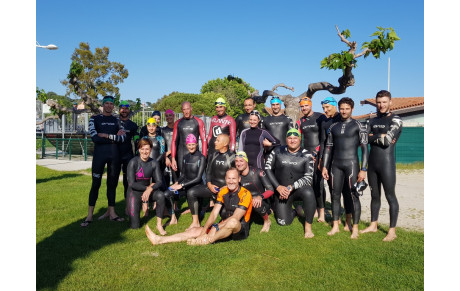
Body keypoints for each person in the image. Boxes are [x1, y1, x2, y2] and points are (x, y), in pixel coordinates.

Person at [145, 168, 253, 245]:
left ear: (239, 179)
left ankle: (207, 241)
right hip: (223, 226)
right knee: (194, 231)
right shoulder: (223, 191)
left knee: (232, 222)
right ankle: (159, 240)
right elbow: (214, 213)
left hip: (239, 230)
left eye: (234, 178)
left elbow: (236, 218)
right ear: (225, 179)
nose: (231, 181)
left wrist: (215, 228)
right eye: (229, 178)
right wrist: (204, 230)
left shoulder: (245, 194)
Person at [322, 97, 369, 239]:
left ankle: (354, 228)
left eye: (347, 108)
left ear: (352, 109)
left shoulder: (359, 126)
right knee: (335, 195)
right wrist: (324, 166)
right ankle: (335, 226)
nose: (344, 111)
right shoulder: (333, 127)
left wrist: (364, 169)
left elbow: (365, 149)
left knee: (354, 196)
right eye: (342, 108)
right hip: (335, 165)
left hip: (352, 164)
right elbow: (328, 148)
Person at [360, 90, 402, 242]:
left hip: (387, 164)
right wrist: (380, 136)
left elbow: (387, 140)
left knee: (390, 196)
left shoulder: (396, 120)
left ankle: (392, 231)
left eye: (384, 102)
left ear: (390, 102)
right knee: (374, 196)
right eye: (379, 102)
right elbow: (363, 139)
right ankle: (373, 225)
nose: (381, 105)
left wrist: (373, 137)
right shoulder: (371, 120)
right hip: (372, 164)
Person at [81, 96, 126, 227]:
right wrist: (114, 138)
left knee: (112, 185)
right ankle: (89, 216)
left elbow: (122, 138)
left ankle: (112, 213)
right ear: (102, 105)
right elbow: (95, 138)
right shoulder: (94, 119)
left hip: (114, 157)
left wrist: (106, 135)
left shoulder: (117, 120)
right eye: (106, 103)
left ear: (113, 106)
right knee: (96, 184)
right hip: (99, 156)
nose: (108, 106)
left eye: (111, 104)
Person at [264, 128, 316, 238]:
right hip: (281, 191)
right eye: (290, 138)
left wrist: (290, 187)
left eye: (295, 138)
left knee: (309, 192)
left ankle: (308, 228)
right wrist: (278, 187)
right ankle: (296, 211)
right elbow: (267, 169)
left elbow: (308, 178)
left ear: (300, 139)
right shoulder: (277, 151)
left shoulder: (307, 155)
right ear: (286, 139)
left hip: (298, 190)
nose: (292, 140)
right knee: (283, 222)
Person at [318, 97, 354, 230]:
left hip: (345, 160)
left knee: (347, 191)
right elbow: (323, 142)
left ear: (334, 106)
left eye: (327, 107)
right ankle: (336, 219)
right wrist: (322, 160)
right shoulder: (325, 123)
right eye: (323, 108)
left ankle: (348, 221)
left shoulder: (343, 118)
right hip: (331, 161)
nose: (325, 110)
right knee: (334, 191)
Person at [186, 134, 235, 229]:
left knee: (225, 215)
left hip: (225, 190)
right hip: (212, 188)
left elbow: (236, 176)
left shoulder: (232, 157)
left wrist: (227, 187)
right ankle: (195, 222)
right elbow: (208, 172)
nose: (214, 142)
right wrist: (209, 184)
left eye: (217, 140)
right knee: (191, 192)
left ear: (225, 143)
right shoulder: (213, 155)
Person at [126, 138, 167, 234]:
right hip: (134, 192)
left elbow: (159, 181)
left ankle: (159, 225)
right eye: (143, 149)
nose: (145, 152)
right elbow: (131, 184)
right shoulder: (133, 162)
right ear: (139, 150)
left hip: (148, 191)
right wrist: (147, 188)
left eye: (147, 149)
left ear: (151, 150)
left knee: (160, 195)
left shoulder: (153, 163)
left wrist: (149, 190)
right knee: (135, 226)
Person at [295, 97, 326, 222]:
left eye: (306, 106)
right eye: (302, 107)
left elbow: (324, 138)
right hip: (307, 156)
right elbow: (297, 138)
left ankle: (322, 212)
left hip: (319, 155)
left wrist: (316, 152)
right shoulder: (300, 121)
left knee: (319, 184)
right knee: (311, 184)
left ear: (311, 105)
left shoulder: (320, 117)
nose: (304, 108)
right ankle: (313, 210)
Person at [164, 134, 206, 225]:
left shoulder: (201, 158)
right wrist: (176, 183)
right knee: (167, 193)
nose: (191, 147)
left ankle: (200, 211)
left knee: (199, 216)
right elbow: (183, 175)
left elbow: (198, 178)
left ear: (196, 144)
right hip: (185, 186)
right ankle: (173, 218)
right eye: (189, 145)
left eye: (193, 144)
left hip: (197, 187)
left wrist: (181, 185)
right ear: (186, 145)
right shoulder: (185, 157)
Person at [235, 151, 274, 232]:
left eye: (241, 161)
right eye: (236, 161)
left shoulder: (258, 172)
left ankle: (267, 221)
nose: (238, 164)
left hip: (260, 202)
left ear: (246, 161)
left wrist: (260, 197)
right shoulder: (235, 175)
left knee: (255, 202)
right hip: (245, 203)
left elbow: (271, 190)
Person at [171, 102, 208, 175]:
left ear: (191, 109)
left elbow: (204, 141)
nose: (186, 111)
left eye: (188, 109)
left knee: (196, 177)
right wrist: (173, 158)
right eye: (184, 109)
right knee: (183, 178)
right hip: (182, 154)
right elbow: (174, 141)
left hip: (195, 155)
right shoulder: (178, 123)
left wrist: (204, 158)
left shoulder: (199, 122)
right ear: (182, 110)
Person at [118, 100, 139, 203]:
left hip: (128, 156)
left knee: (128, 181)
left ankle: (128, 203)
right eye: (122, 108)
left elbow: (136, 140)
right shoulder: (115, 122)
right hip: (115, 155)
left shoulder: (133, 125)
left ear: (129, 110)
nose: (124, 110)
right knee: (112, 182)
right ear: (119, 110)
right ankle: (111, 207)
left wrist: (137, 155)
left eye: (126, 108)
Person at [161, 109, 177, 186]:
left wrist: (169, 152)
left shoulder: (177, 129)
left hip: (175, 156)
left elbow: (179, 143)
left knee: (176, 178)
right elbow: (161, 145)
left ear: (173, 116)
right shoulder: (163, 130)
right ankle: (167, 196)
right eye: (166, 116)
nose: (168, 117)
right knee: (165, 177)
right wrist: (165, 156)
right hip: (165, 157)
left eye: (170, 115)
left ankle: (177, 197)